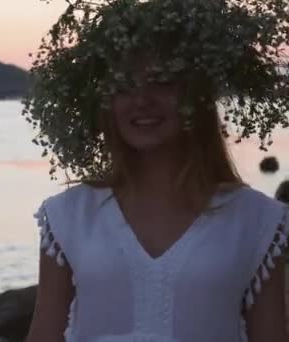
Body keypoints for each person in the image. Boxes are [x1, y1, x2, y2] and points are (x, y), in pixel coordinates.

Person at [23, 0, 289, 341]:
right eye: (122, 86)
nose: (141, 100)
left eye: (162, 81)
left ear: (197, 95)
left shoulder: (257, 220)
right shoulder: (69, 216)